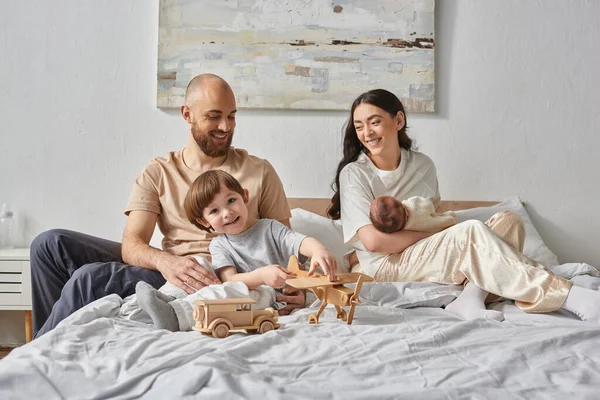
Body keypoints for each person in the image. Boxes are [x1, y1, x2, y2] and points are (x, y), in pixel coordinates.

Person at [30, 74, 305, 338]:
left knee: (89, 278)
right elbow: (132, 245)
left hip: (215, 278)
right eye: (214, 116)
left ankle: (34, 360)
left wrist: (296, 286)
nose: (226, 126)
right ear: (187, 114)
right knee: (49, 244)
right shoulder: (159, 171)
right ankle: (49, 346)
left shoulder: (259, 171)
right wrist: (166, 262)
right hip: (172, 269)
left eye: (231, 116)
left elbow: (286, 245)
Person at [328, 88, 600, 323]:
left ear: (398, 120)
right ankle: (567, 295)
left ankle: (472, 296)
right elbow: (373, 242)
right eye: (359, 126)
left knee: (509, 221)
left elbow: (431, 216)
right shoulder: (355, 174)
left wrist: (443, 236)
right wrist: (444, 237)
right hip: (385, 266)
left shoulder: (423, 165)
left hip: (423, 255)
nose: (366, 133)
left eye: (374, 122)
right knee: (469, 231)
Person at [136, 170, 338, 331]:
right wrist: (261, 274)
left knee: (246, 293)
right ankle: (166, 300)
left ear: (245, 196)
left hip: (269, 296)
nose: (227, 213)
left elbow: (300, 242)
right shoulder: (219, 244)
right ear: (204, 222)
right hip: (238, 287)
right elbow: (229, 278)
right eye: (214, 211)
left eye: (231, 201)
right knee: (198, 264)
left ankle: (175, 316)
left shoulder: (271, 228)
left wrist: (319, 250)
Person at [369, 195, 456, 233]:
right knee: (447, 218)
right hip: (440, 224)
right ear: (406, 210)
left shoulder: (403, 232)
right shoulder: (413, 206)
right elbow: (429, 206)